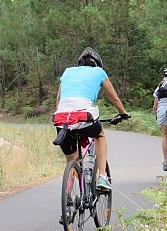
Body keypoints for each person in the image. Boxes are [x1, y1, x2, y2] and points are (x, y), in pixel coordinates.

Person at [54, 47, 129, 190]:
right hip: (84, 116)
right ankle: (102, 176)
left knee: (72, 160)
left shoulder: (68, 72)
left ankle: (69, 198)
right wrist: (123, 113)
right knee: (99, 135)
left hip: (62, 119)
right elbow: (114, 98)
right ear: (98, 64)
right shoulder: (99, 72)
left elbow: (58, 101)